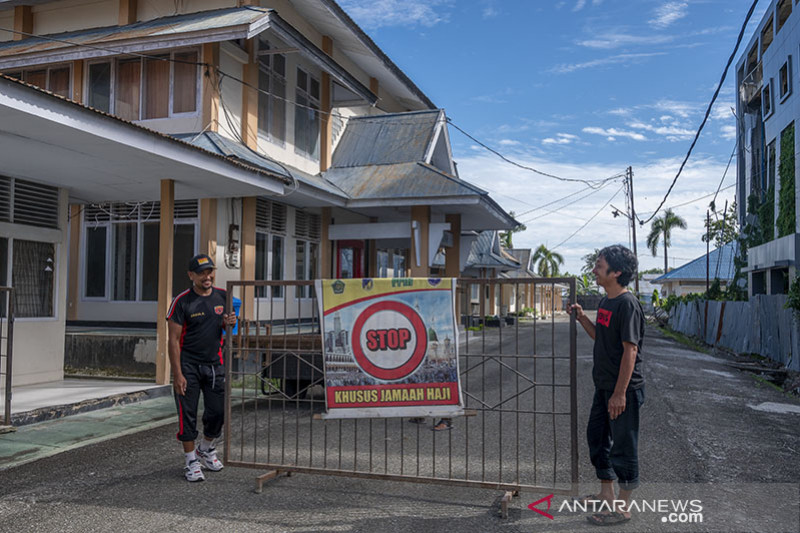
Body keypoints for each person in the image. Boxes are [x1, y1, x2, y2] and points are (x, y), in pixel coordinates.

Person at [567, 245, 645, 526]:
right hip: (604, 388)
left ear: (616, 272)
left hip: (623, 391)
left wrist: (620, 393)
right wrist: (583, 318)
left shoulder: (627, 305)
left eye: (599, 266)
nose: (594, 270)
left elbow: (630, 351)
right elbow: (601, 338)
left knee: (624, 447)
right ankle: (605, 495)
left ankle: (622, 509)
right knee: (597, 439)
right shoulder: (605, 303)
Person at [167, 254, 237, 482]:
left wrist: (230, 324)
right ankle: (190, 461)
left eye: (209, 272)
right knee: (187, 416)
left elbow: (227, 327)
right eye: (201, 273)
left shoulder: (223, 296)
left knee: (218, 413)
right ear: (191, 275)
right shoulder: (182, 301)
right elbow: (173, 340)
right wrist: (177, 374)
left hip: (215, 365)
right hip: (188, 367)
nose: (207, 276)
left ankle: (205, 449)